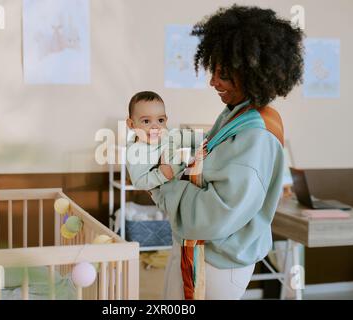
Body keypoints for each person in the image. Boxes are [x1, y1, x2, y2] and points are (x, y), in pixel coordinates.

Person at [155, 5, 304, 300]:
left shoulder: (256, 134)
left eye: (223, 73)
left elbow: (218, 213)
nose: (213, 82)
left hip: (217, 262)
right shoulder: (236, 115)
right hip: (202, 251)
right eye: (214, 70)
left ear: (251, 74)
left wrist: (165, 188)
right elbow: (210, 169)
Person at [125, 91, 206, 194]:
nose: (155, 126)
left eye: (160, 120)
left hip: (186, 175)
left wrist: (206, 139)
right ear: (131, 124)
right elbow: (138, 182)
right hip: (170, 190)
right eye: (146, 121)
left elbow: (184, 137)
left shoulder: (166, 135)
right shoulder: (135, 151)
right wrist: (160, 175)